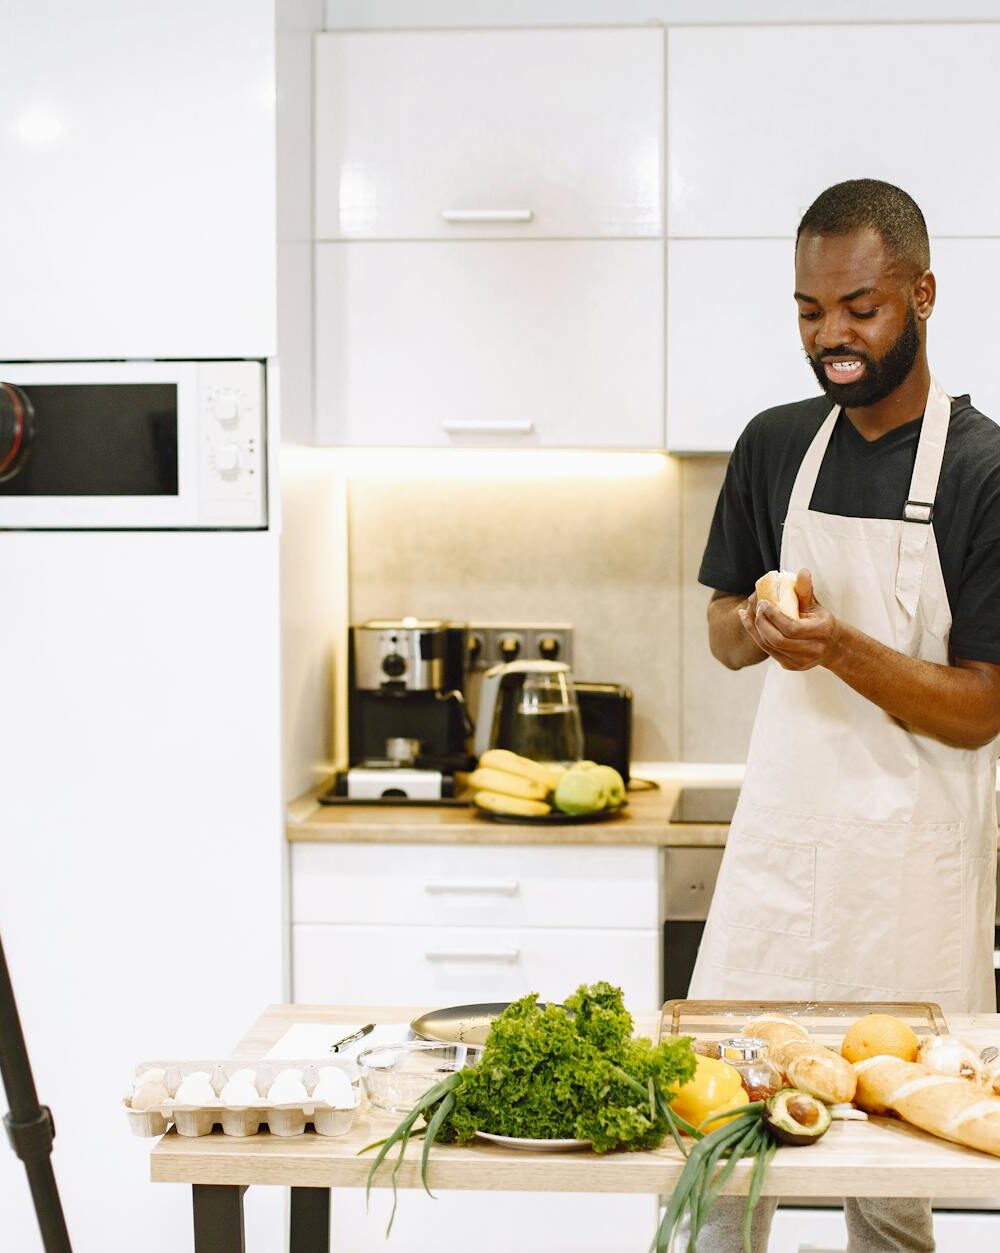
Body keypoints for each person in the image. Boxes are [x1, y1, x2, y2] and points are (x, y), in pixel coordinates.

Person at [691, 178, 1000, 1251]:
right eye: (809, 310)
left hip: (911, 872)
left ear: (921, 292)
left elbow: (979, 709)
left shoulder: (982, 469)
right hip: (782, 848)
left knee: (892, 1174)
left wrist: (846, 650)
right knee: (716, 1154)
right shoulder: (776, 443)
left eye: (860, 308)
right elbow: (724, 628)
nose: (833, 336)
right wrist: (761, 630)